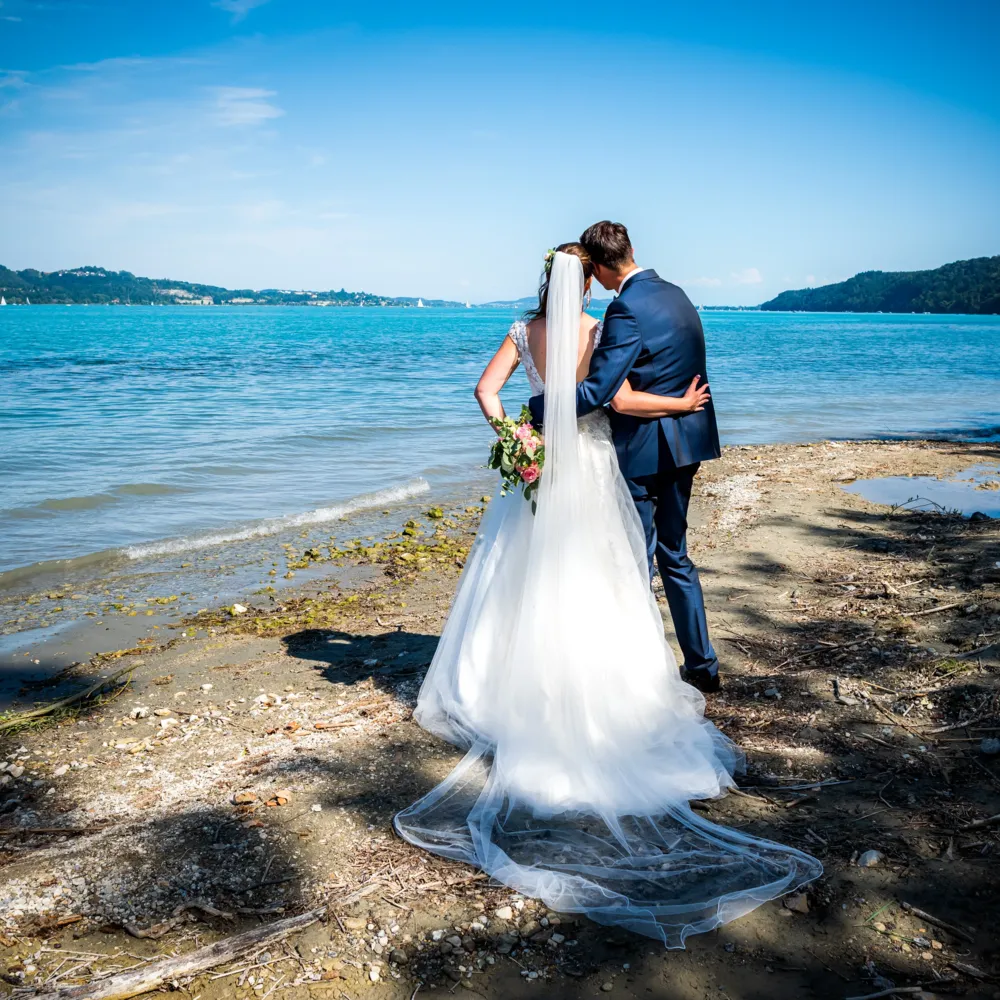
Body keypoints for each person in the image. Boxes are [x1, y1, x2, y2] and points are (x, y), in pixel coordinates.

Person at [393, 247, 820, 948]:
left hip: (537, 462)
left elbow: (484, 394)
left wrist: (517, 439)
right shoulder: (595, 330)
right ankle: (596, 674)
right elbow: (613, 400)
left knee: (516, 570)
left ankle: (496, 681)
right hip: (589, 463)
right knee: (596, 573)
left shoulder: (518, 330)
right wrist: (679, 402)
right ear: (586, 281)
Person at [529, 222, 722, 693]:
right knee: (675, 554)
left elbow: (600, 392)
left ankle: (641, 669)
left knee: (635, 557)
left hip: (643, 451)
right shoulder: (676, 294)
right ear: (631, 249)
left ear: (595, 266)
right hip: (689, 441)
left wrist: (539, 409)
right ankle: (702, 665)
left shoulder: (625, 311)